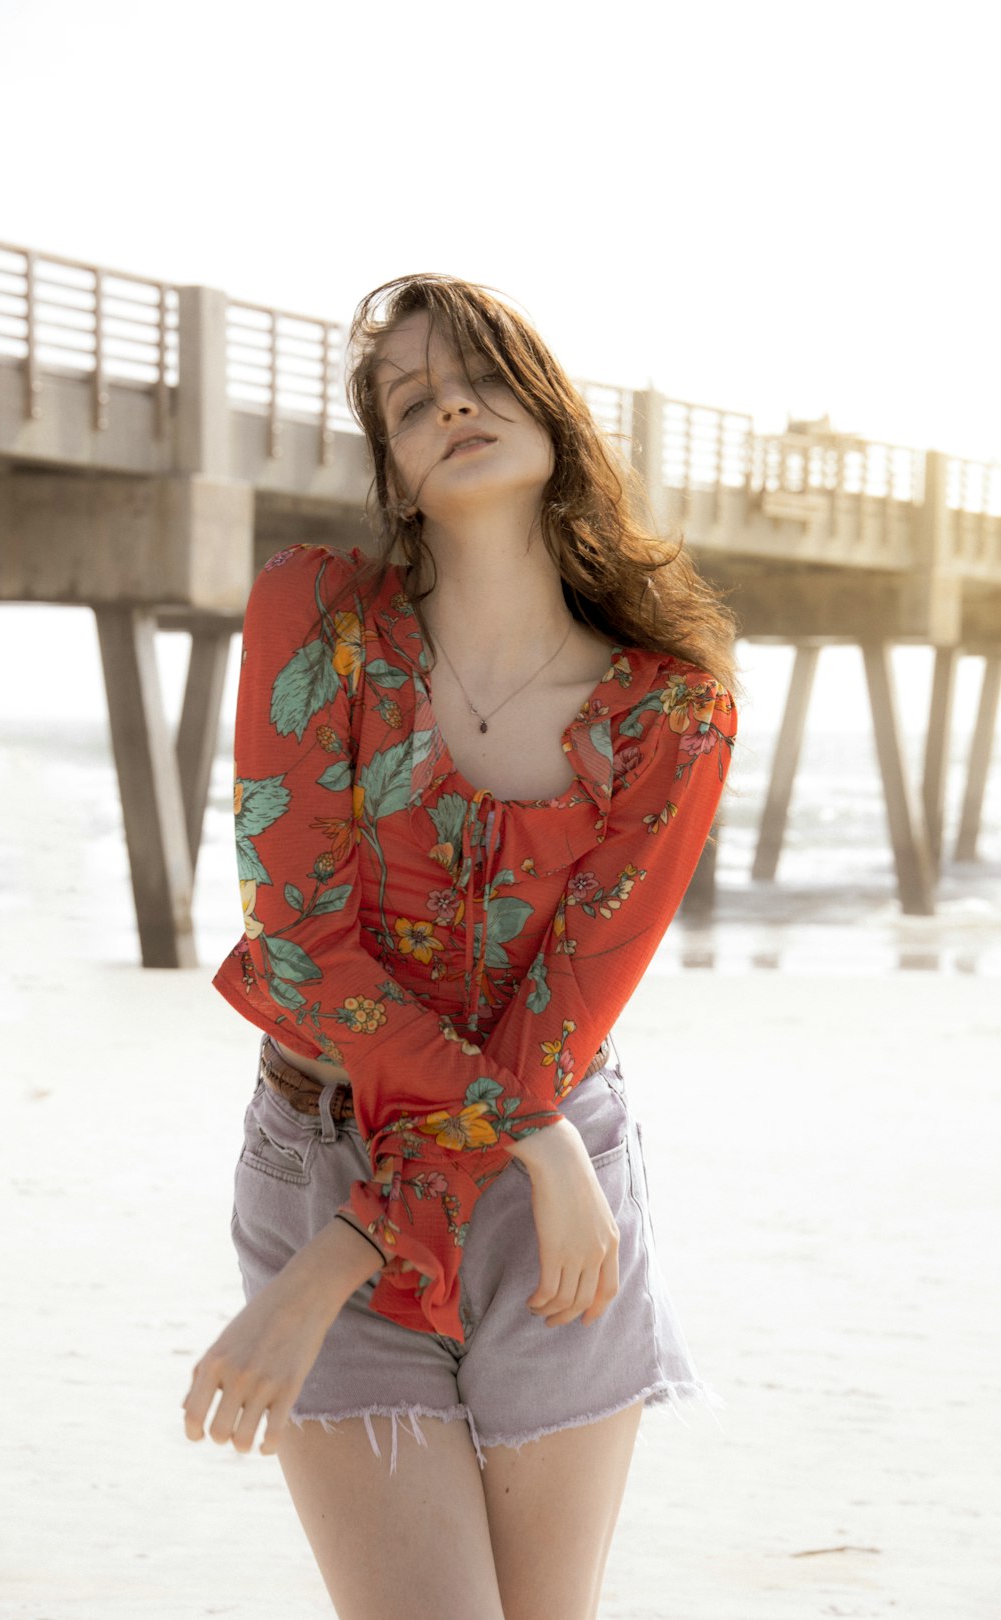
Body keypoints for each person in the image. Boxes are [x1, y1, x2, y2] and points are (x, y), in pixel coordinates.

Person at [182, 273, 739, 1620]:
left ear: (550, 405)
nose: (452, 404)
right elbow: (306, 949)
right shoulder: (313, 625)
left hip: (549, 1215)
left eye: (478, 370)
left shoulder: (673, 710)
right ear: (397, 469)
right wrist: (526, 1138)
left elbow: (554, 1027)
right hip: (345, 1148)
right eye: (411, 400)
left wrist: (344, 1260)